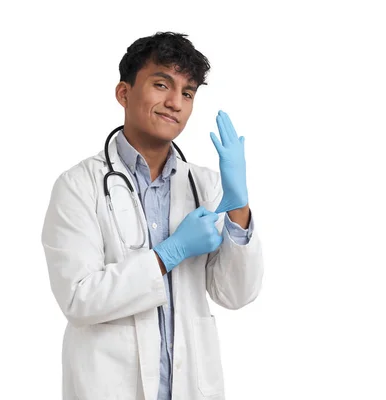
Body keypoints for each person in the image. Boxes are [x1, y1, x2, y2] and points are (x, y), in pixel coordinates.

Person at [41, 31, 264, 400]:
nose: (175, 102)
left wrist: (239, 205)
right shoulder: (78, 186)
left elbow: (236, 294)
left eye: (188, 92)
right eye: (162, 84)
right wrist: (169, 253)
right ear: (124, 93)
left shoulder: (207, 187)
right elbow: (78, 299)